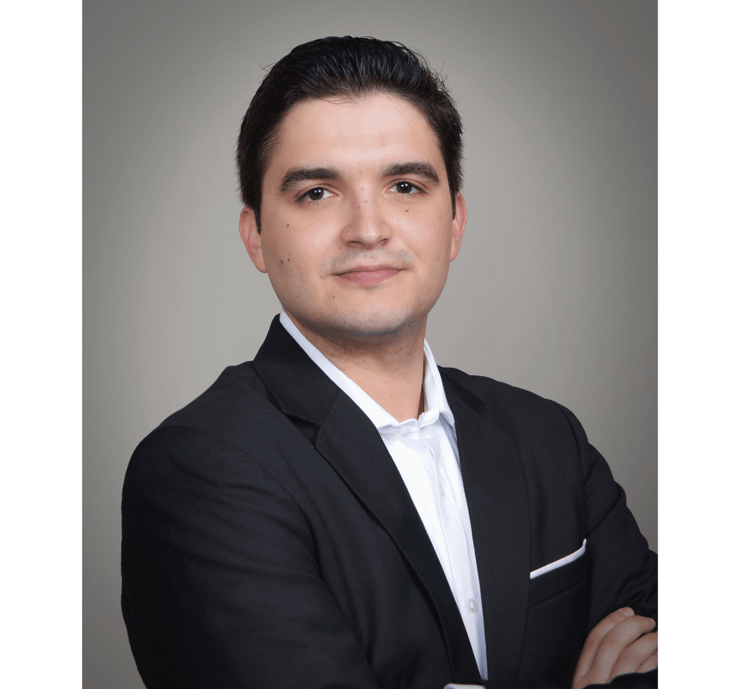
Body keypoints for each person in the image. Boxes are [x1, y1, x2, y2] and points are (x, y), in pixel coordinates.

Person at [121, 36, 657, 689]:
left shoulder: (548, 439)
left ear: (454, 222)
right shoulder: (197, 471)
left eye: (405, 186)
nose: (368, 229)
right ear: (255, 234)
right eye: (317, 192)